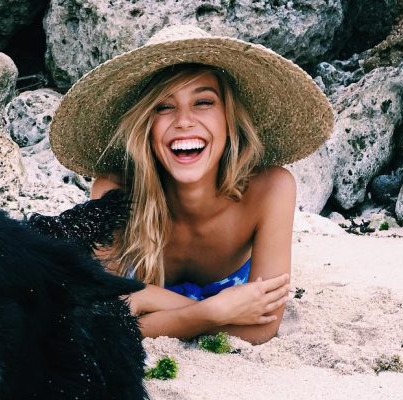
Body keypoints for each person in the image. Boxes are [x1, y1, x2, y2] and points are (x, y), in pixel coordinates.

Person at [49, 25, 334, 344]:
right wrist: (211, 313)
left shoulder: (271, 189)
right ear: (146, 125)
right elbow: (102, 320)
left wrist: (146, 299)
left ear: (229, 118)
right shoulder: (115, 192)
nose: (184, 120)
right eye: (164, 106)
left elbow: (263, 327)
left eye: (203, 102)